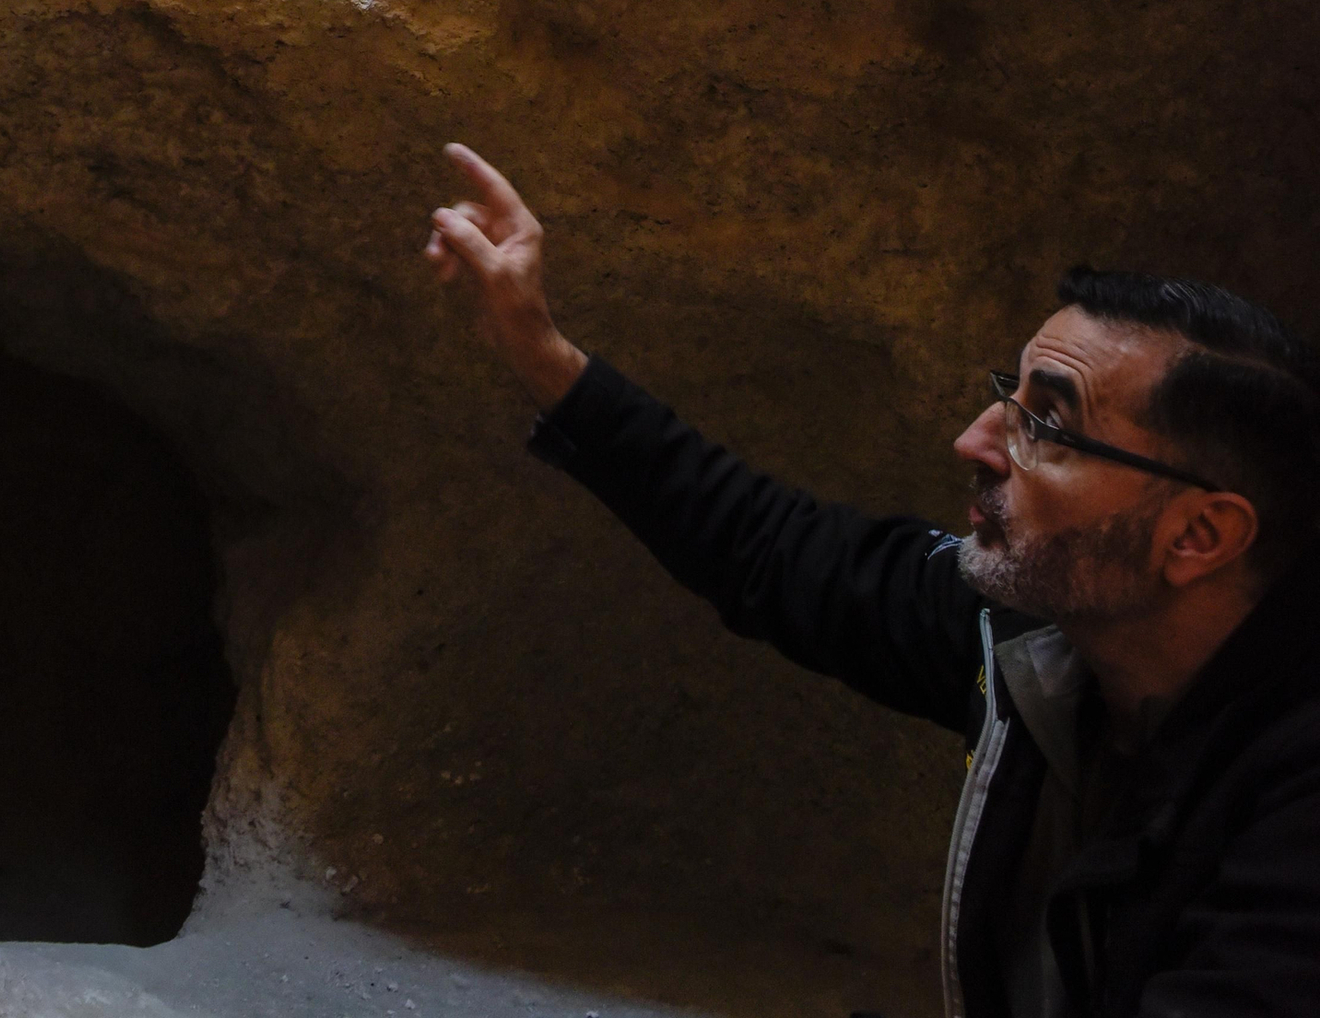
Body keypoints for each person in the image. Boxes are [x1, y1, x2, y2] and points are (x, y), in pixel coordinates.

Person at [423, 143, 1320, 1018]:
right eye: (1008, 397)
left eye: (1046, 424)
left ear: (1198, 534)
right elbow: (771, 548)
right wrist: (540, 350)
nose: (974, 443)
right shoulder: (1041, 639)